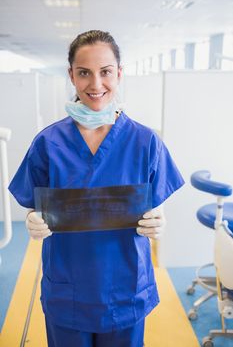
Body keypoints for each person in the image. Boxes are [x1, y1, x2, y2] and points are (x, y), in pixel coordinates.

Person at [9, 30, 184, 347]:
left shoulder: (145, 143)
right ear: (71, 76)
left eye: (105, 72)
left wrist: (160, 219)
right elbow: (32, 201)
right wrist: (32, 218)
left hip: (125, 289)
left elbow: (156, 201)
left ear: (119, 73)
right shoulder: (48, 143)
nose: (96, 84)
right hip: (69, 291)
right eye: (84, 73)